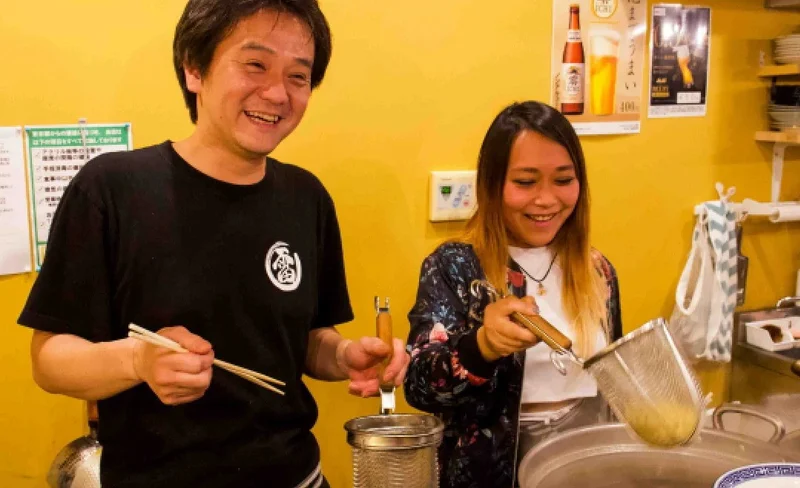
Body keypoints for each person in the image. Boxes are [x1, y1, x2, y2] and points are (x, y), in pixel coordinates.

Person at [18, 1, 409, 487]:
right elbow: (49, 359)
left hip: (297, 476)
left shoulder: (306, 198)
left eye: (298, 77)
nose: (277, 93)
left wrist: (345, 355)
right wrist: (138, 360)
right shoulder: (112, 189)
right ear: (194, 68)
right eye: (255, 65)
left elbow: (303, 341)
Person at [403, 101, 622, 488]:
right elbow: (420, 386)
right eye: (525, 182)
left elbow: (614, 376)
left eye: (563, 179)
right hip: (493, 471)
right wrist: (481, 346)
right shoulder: (455, 266)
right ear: (492, 185)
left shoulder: (596, 270)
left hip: (586, 463)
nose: (546, 199)